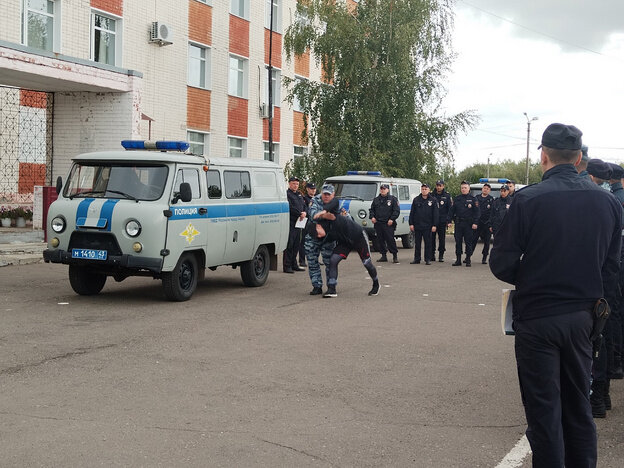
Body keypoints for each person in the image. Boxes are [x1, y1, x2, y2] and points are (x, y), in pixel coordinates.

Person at [490, 123, 622, 467]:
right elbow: (610, 269)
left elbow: (501, 263)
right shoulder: (608, 202)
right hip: (583, 317)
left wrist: (536, 276)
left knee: (544, 410)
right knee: (579, 406)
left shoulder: (528, 199)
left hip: (538, 316)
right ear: (578, 159)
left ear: (543, 156)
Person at [313, 197, 380, 298]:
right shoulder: (325, 234)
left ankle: (376, 284)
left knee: (367, 263)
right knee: (333, 260)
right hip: (345, 242)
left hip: (358, 237)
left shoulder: (332, 218)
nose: (319, 236)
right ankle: (332, 289)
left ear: (319, 226)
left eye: (318, 233)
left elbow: (335, 202)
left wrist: (323, 212)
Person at [304, 184, 336, 295]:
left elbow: (345, 217)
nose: (326, 196)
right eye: (324, 194)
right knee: (312, 262)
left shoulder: (336, 202)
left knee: (330, 263)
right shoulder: (315, 200)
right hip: (314, 235)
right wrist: (325, 216)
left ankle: (331, 286)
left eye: (328, 194)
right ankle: (316, 286)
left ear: (333, 194)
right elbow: (313, 214)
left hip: (328, 237)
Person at [447, 181, 479, 267]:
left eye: (465, 188)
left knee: (468, 242)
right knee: (458, 242)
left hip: (469, 224)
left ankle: (468, 259)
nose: (463, 189)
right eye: (462, 188)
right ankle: (458, 260)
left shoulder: (473, 199)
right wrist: (449, 221)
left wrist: (475, 222)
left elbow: (477, 212)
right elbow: (451, 211)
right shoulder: (457, 199)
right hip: (459, 223)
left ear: (469, 189)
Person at [408, 183, 439, 265]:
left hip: (428, 225)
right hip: (418, 225)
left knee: (428, 243)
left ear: (429, 190)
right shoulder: (416, 199)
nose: (424, 190)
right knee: (417, 243)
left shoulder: (433, 200)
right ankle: (417, 259)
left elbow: (436, 214)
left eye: (425, 189)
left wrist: (434, 225)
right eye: (422, 189)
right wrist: (411, 223)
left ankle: (427, 259)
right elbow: (412, 213)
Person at [369, 183, 400, 263]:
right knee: (380, 240)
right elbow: (372, 210)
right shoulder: (376, 200)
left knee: (390, 240)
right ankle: (383, 255)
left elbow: (396, 210)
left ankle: (394, 256)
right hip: (378, 223)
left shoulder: (392, 199)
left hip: (388, 223)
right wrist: (372, 217)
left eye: (384, 189)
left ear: (388, 190)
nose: (383, 190)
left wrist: (392, 219)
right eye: (381, 189)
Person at [283, 176, 306, 274]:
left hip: (299, 222)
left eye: (297, 184)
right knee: (290, 244)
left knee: (296, 244)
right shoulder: (287, 194)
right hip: (291, 222)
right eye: (293, 184)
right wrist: (299, 213)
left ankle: (294, 264)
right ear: (289, 184)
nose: (295, 185)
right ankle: (287, 266)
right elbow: (290, 207)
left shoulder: (299, 195)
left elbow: (304, 206)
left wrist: (304, 212)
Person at [430, 179, 453, 262]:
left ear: (443, 186)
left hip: (442, 221)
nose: (438, 187)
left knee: (442, 239)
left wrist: (449, 221)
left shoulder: (447, 196)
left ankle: (441, 255)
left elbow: (450, 209)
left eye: (440, 186)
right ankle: (432, 254)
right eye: (437, 185)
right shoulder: (431, 195)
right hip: (432, 221)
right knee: (431, 239)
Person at [472, 183, 494, 264]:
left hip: (487, 223)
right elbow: (474, 210)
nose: (485, 190)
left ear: (489, 190)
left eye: (487, 189)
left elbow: (492, 212)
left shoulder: (491, 199)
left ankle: (484, 257)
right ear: (482, 189)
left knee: (487, 242)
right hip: (478, 222)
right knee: (473, 240)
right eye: (484, 188)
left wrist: (490, 223)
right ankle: (469, 256)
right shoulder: (477, 198)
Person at [299, 182, 317, 267]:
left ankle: (314, 259)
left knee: (315, 243)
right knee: (304, 242)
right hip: (307, 222)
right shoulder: (305, 199)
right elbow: (305, 209)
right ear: (307, 189)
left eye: (314, 189)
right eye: (311, 189)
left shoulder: (317, 199)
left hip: (315, 223)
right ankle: (302, 260)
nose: (313, 191)